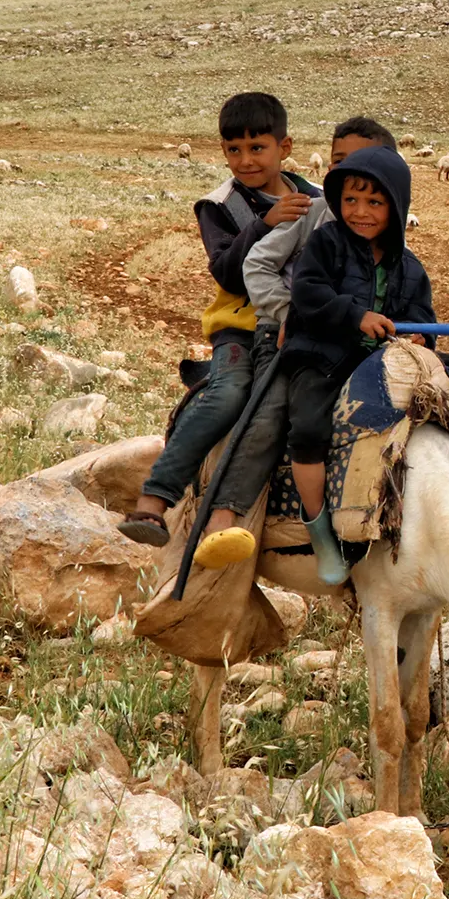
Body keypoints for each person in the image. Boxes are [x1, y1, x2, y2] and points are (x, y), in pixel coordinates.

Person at [186, 116, 396, 569]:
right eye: (343, 167)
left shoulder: (395, 246)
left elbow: (411, 301)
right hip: (310, 343)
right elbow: (290, 281)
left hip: (370, 348)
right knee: (277, 412)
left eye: (372, 192)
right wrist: (289, 315)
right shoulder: (316, 218)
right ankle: (229, 516)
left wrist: (415, 332)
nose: (358, 201)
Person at [120, 92, 315, 547]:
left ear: (284, 148)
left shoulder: (315, 197)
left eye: (257, 148)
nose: (245, 160)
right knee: (230, 395)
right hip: (241, 328)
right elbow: (226, 270)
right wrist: (263, 224)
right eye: (234, 150)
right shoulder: (219, 205)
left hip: (302, 328)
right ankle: (155, 500)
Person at [278, 143, 435, 584]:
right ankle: (321, 532)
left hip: (383, 365)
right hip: (324, 356)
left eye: (374, 202)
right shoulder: (326, 243)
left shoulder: (411, 268)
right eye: (350, 200)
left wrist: (424, 338)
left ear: (396, 206)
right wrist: (355, 316)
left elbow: (422, 315)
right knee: (307, 428)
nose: (359, 211)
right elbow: (307, 293)